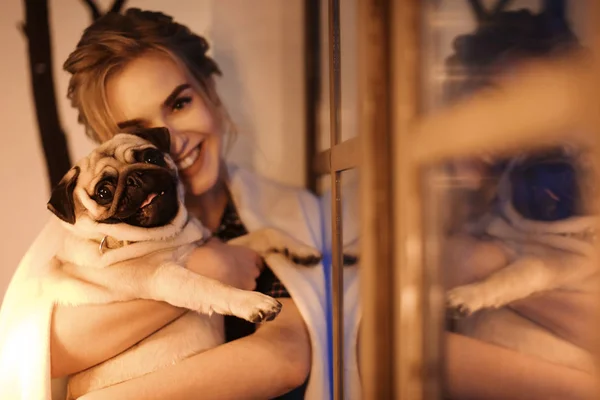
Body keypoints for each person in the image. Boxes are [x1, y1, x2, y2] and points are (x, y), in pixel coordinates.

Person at [0, 5, 596, 400]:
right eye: (139, 128)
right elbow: (39, 355)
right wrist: (206, 268)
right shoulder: (77, 240)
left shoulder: (292, 217)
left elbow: (290, 353)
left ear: (212, 94)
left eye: (179, 103)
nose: (171, 140)